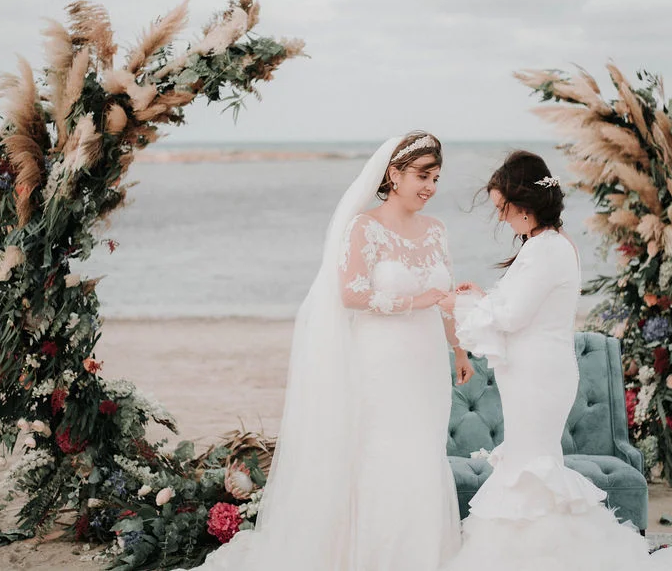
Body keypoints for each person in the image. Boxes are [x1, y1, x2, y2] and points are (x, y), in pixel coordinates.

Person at [438, 150, 672, 570]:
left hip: (537, 376)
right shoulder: (547, 245)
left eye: (503, 208)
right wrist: (479, 298)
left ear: (524, 204)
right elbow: (523, 307)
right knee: (530, 463)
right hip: (535, 370)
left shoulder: (545, 250)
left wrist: (455, 304)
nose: (502, 219)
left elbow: (513, 317)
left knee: (531, 467)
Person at [191, 132, 471, 571]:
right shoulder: (365, 227)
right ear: (394, 175)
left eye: (436, 177)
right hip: (380, 362)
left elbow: (447, 294)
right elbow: (352, 295)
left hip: (427, 364)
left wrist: (458, 349)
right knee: (382, 455)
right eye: (422, 175)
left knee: (422, 457)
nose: (430, 186)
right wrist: (421, 300)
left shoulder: (437, 230)